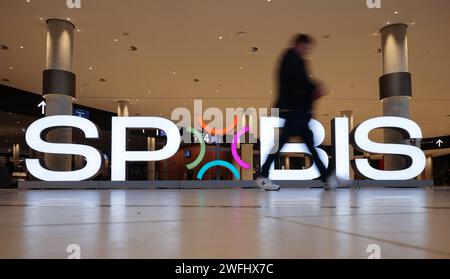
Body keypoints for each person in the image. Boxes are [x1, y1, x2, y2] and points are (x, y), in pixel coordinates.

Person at [255, 34, 345, 191]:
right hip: (293, 110)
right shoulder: (291, 59)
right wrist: (313, 89)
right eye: (304, 47)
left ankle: (327, 177)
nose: (306, 51)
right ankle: (263, 176)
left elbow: (300, 83)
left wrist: (312, 90)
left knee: (306, 145)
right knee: (286, 143)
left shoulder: (296, 60)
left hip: (297, 111)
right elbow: (295, 84)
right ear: (298, 45)